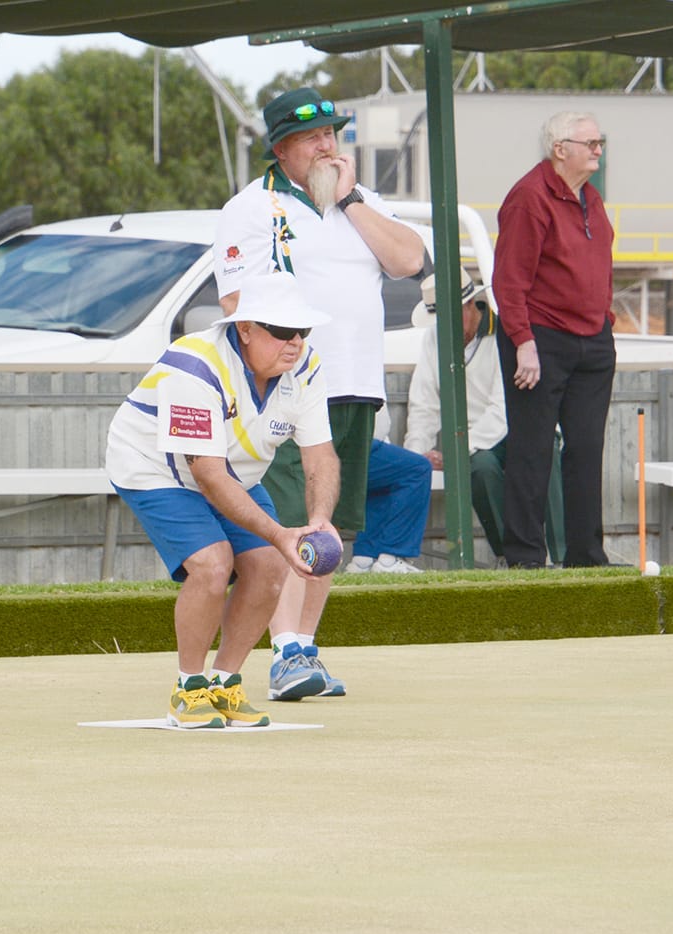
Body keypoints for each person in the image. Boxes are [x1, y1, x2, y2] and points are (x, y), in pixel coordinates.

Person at [214, 86, 426, 699]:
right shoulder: (250, 208)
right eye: (313, 137)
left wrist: (352, 198)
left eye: (333, 133)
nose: (328, 144)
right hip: (285, 386)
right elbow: (236, 305)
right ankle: (284, 654)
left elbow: (410, 259)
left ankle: (303, 648)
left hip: (356, 384)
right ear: (281, 148)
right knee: (284, 526)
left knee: (328, 525)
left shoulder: (361, 202)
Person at [104, 271, 339, 728]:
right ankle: (188, 688)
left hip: (234, 471)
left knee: (270, 564)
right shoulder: (194, 364)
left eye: (302, 331)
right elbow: (207, 476)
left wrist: (318, 520)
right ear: (245, 328)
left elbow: (321, 457)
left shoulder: (305, 366)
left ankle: (223, 682)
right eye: (281, 331)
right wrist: (279, 533)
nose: (294, 342)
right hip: (154, 467)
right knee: (213, 564)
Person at [491, 111, 615, 569]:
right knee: (532, 448)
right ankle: (525, 557)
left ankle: (585, 555)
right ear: (560, 149)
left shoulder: (592, 198)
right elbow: (509, 279)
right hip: (541, 339)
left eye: (600, 141)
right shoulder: (529, 198)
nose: (598, 149)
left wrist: (606, 317)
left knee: (586, 449)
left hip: (593, 340)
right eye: (590, 142)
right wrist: (523, 341)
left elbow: (600, 263)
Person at [403, 270, 565, 565]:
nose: (443, 327)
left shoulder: (504, 330)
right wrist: (415, 457)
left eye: (450, 317)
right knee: (480, 467)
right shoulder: (433, 341)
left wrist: (453, 452)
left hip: (517, 426)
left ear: (470, 306)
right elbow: (423, 403)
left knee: (546, 449)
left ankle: (563, 555)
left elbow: (501, 409)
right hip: (476, 443)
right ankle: (513, 557)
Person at [345, 436, 431, 574]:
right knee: (418, 468)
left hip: (346, 443)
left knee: (386, 478)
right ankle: (390, 559)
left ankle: (364, 560)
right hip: (343, 445)